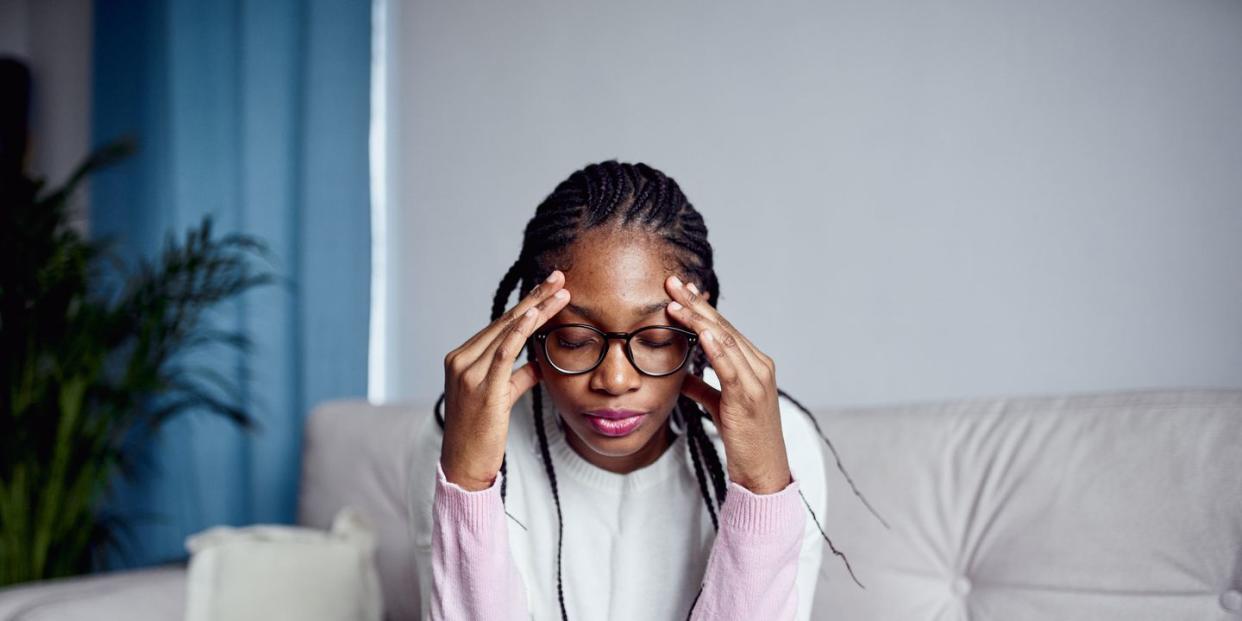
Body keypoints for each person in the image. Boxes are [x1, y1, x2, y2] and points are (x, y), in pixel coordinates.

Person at [406, 161, 869, 620]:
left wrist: (762, 492)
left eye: (656, 340)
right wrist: (467, 486)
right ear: (533, 328)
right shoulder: (462, 433)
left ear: (699, 329)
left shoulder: (781, 440)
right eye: (574, 340)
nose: (616, 380)